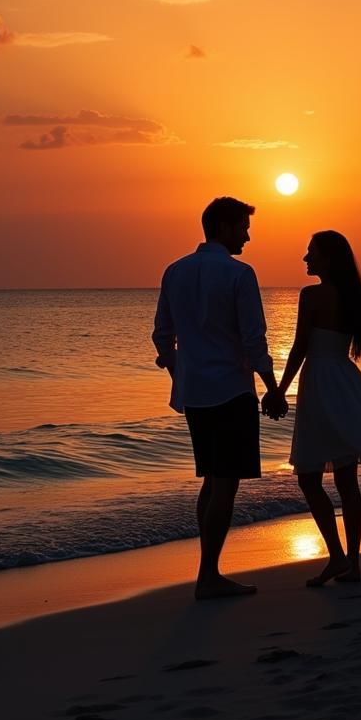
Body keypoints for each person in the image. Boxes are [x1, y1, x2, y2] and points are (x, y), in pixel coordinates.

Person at [264, 230, 361, 587]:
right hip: (345, 382)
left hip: (320, 383)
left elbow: (300, 347)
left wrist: (279, 391)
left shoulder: (313, 295)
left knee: (309, 477)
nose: (306, 259)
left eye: (311, 253)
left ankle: (337, 556)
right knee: (346, 479)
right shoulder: (352, 297)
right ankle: (351, 562)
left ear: (328, 259)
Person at [152, 196, 287, 600]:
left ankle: (207, 570)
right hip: (230, 390)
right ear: (226, 228)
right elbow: (253, 339)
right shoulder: (239, 274)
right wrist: (272, 387)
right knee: (224, 484)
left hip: (195, 393)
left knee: (212, 480)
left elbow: (162, 336)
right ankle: (208, 576)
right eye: (244, 228)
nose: (247, 236)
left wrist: (181, 373)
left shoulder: (174, 271)